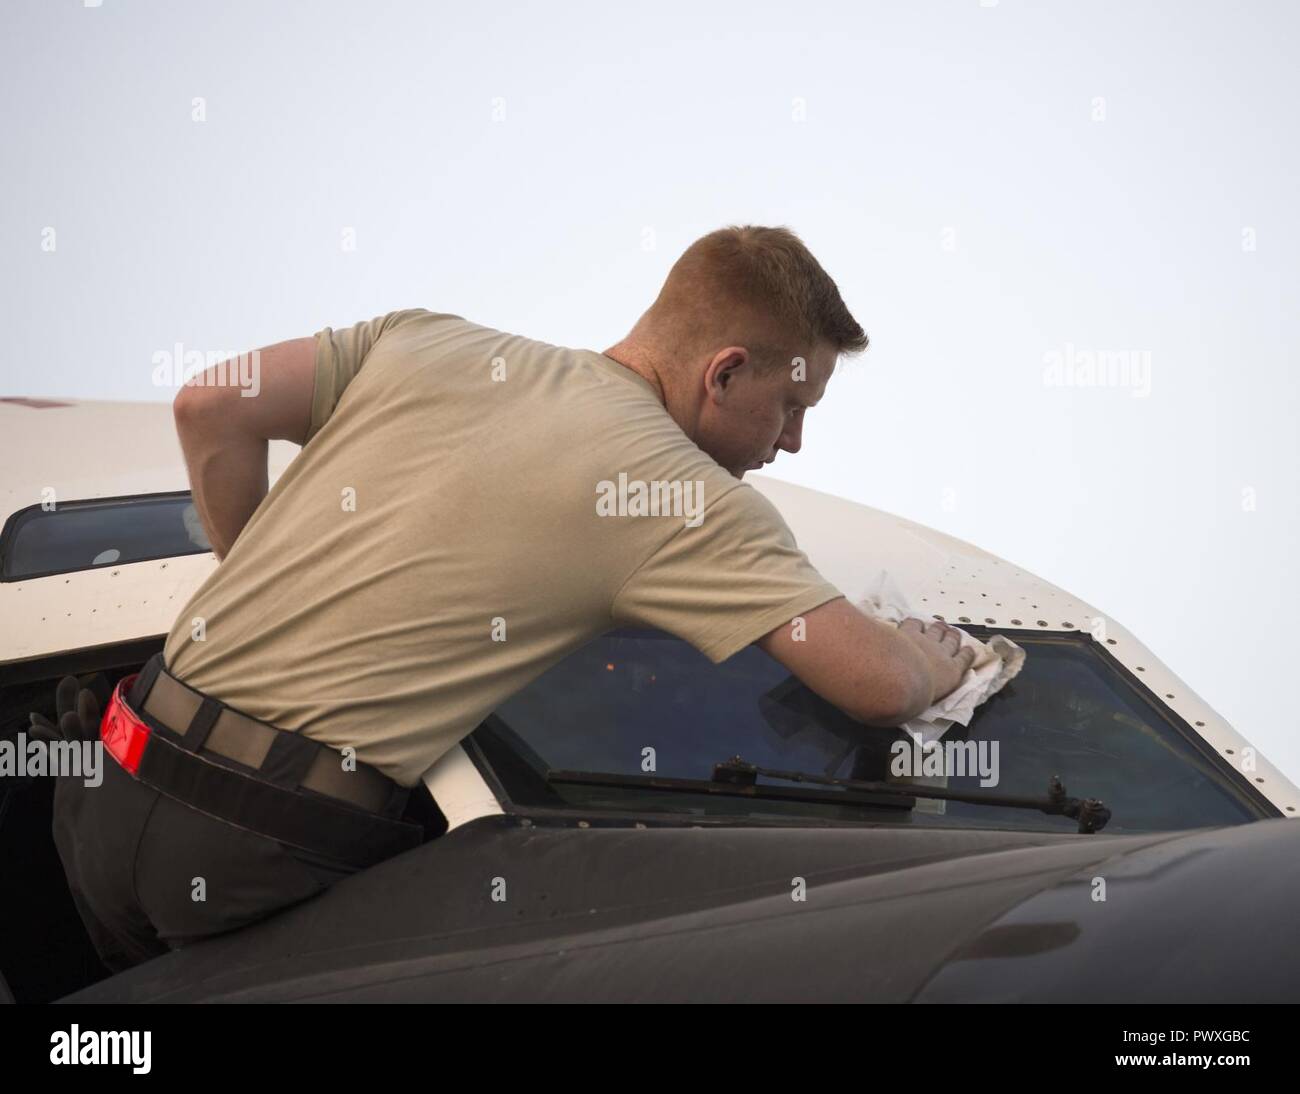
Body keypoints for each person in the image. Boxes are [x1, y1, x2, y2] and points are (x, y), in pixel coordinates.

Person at [40, 224, 973, 972]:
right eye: (793, 406)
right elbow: (881, 686)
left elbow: (210, 404)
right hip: (259, 857)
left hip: (110, 783)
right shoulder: (680, 497)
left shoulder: (424, 341)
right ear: (723, 373)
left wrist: (246, 572)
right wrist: (932, 653)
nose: (794, 442)